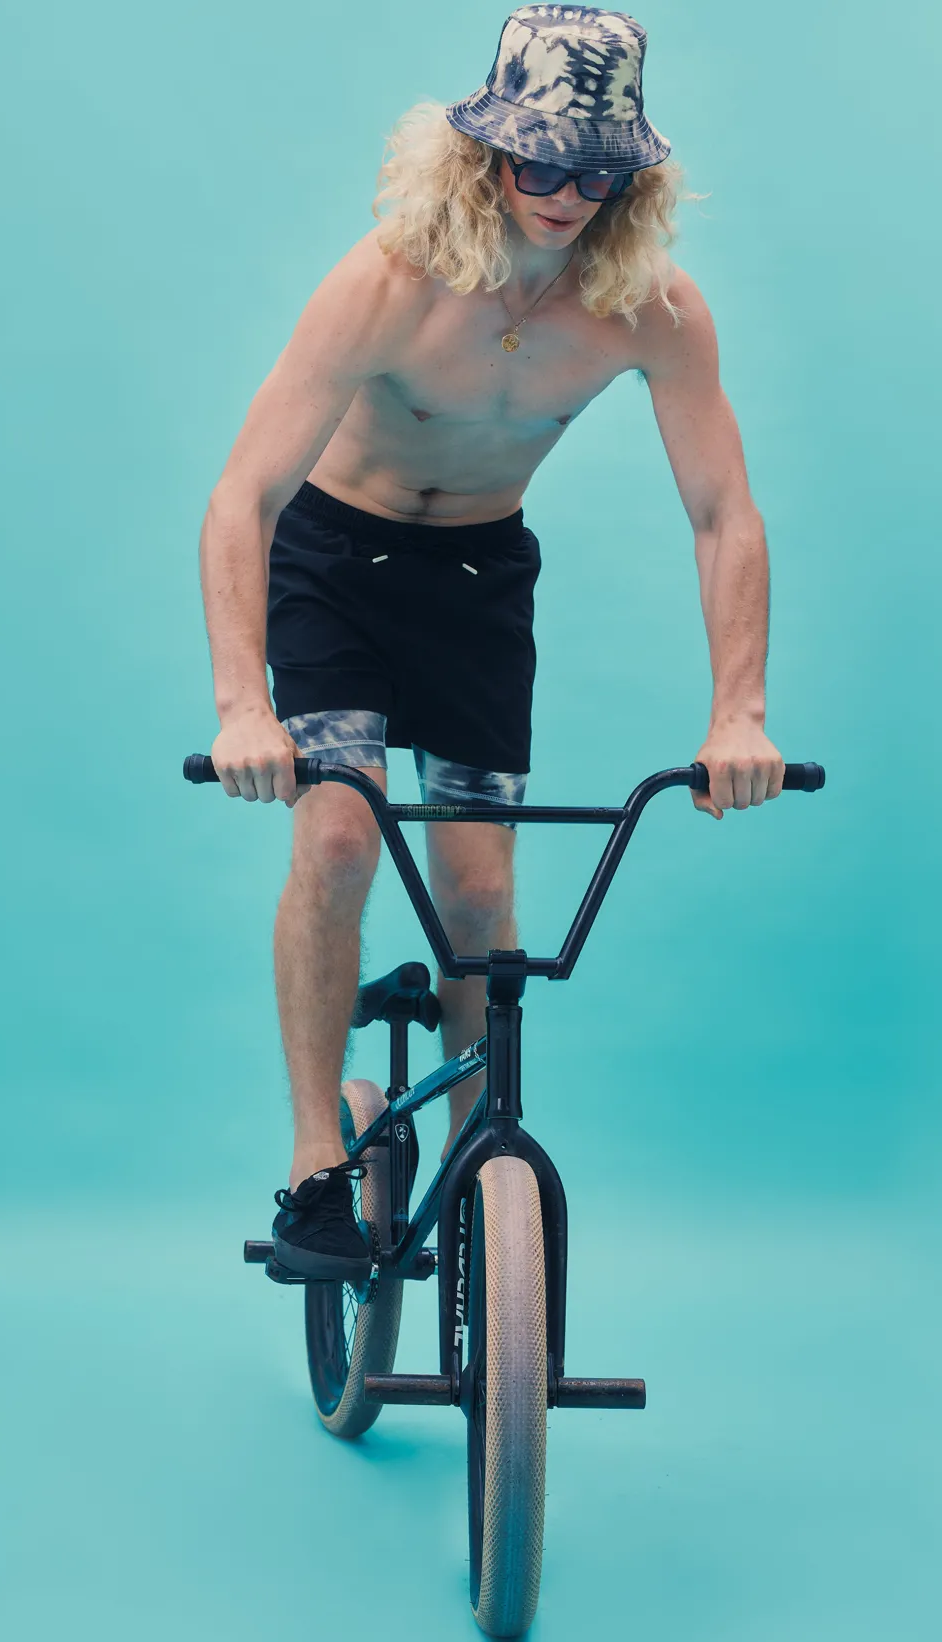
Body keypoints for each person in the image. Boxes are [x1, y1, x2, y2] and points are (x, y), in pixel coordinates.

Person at [198, 5, 785, 1282]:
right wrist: (243, 704)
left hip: (474, 582)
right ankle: (315, 1164)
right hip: (333, 568)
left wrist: (736, 711)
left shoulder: (647, 308)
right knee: (339, 834)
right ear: (484, 153)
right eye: (538, 164)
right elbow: (242, 497)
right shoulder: (390, 281)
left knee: (476, 897)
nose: (565, 196)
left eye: (596, 172)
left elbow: (721, 513)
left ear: (631, 179)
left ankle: (476, 1179)